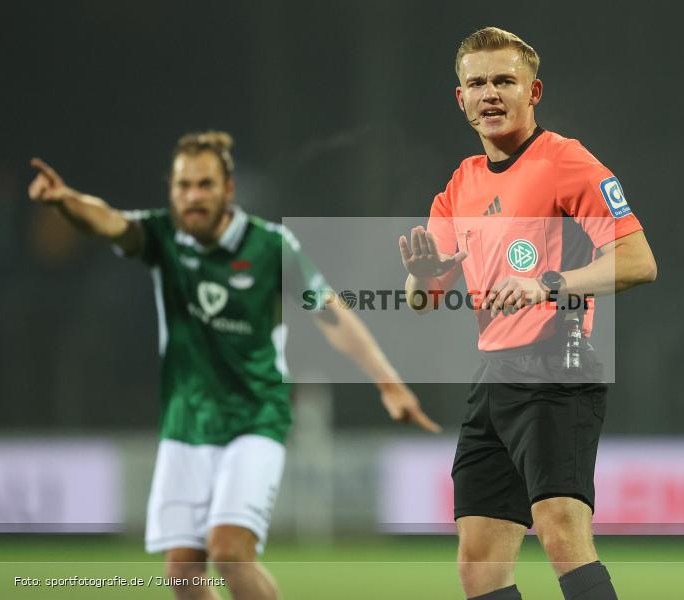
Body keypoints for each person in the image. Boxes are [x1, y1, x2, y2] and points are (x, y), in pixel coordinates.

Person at [28, 131, 440, 600]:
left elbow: (332, 316)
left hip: (253, 419)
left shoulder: (271, 248)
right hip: (186, 425)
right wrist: (65, 202)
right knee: (183, 575)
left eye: (205, 184)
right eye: (184, 186)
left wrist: (388, 383)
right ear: (172, 190)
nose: (193, 196)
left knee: (228, 552)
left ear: (228, 189)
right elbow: (109, 222)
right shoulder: (163, 238)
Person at [399, 28, 657, 600]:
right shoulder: (460, 184)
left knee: (561, 533)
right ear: (459, 99)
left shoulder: (567, 161)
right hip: (493, 378)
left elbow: (639, 261)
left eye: (503, 81)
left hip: (556, 367)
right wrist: (420, 274)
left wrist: (550, 284)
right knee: (479, 563)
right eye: (477, 83)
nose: (490, 93)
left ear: (533, 90)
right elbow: (423, 300)